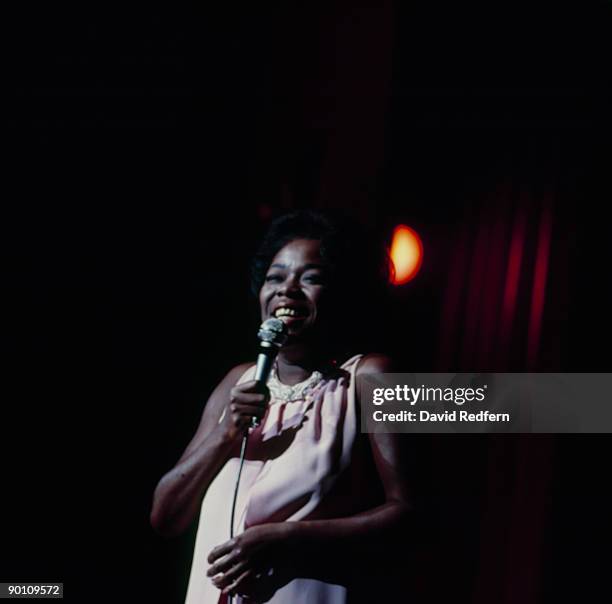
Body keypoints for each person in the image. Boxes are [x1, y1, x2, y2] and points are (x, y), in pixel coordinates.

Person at [150, 210, 414, 603]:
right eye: (275, 278)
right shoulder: (236, 383)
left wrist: (287, 538)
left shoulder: (372, 376)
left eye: (311, 277)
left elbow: (411, 514)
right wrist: (227, 434)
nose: (286, 290)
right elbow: (166, 517)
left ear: (346, 291)